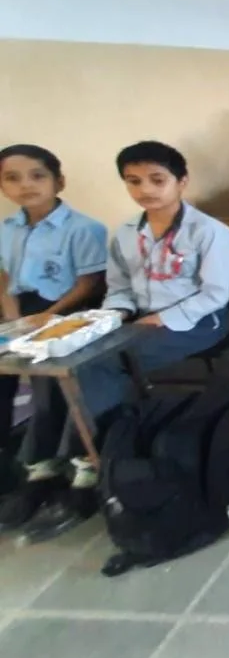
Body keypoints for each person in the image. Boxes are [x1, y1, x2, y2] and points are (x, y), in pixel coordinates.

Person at [36, 142, 229, 539]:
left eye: (157, 180)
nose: (146, 190)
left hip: (196, 322)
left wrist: (161, 318)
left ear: (181, 182)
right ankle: (52, 462)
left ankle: (93, 462)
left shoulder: (209, 231)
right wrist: (114, 314)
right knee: (63, 359)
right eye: (134, 181)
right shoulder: (127, 234)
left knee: (100, 365)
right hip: (140, 322)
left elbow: (215, 293)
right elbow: (120, 288)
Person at [0, 145, 107, 532]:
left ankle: (74, 468)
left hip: (69, 312)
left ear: (58, 181)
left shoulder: (83, 228)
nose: (25, 185)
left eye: (36, 175)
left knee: (60, 389)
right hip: (22, 314)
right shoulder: (7, 229)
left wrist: (48, 317)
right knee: (20, 384)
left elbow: (90, 281)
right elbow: (5, 277)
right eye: (12, 178)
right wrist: (12, 317)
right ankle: (26, 467)